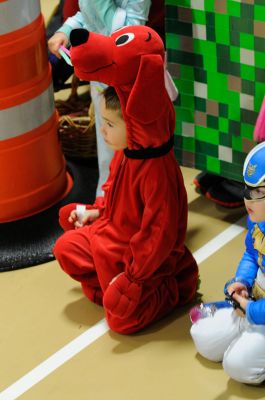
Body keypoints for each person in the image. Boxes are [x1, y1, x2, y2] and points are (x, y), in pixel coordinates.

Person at [53, 25, 198, 334]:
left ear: (132, 123)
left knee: (121, 319)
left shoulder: (154, 169)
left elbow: (157, 234)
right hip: (111, 236)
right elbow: (111, 192)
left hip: (138, 258)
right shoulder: (126, 151)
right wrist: (96, 212)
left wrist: (134, 278)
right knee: (66, 246)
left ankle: (171, 289)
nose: (102, 131)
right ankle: (113, 286)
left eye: (108, 124)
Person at [48, 0, 164, 197]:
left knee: (133, 148)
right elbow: (88, 13)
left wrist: (99, 3)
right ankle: (106, 200)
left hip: (130, 79)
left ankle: (131, 203)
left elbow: (130, 34)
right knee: (106, 145)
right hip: (101, 73)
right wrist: (66, 31)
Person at [190, 141, 265, 385]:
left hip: (257, 310)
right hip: (253, 304)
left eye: (257, 192)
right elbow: (252, 254)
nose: (247, 200)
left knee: (237, 366)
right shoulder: (258, 220)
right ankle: (247, 338)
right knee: (203, 336)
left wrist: (250, 310)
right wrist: (241, 281)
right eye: (246, 189)